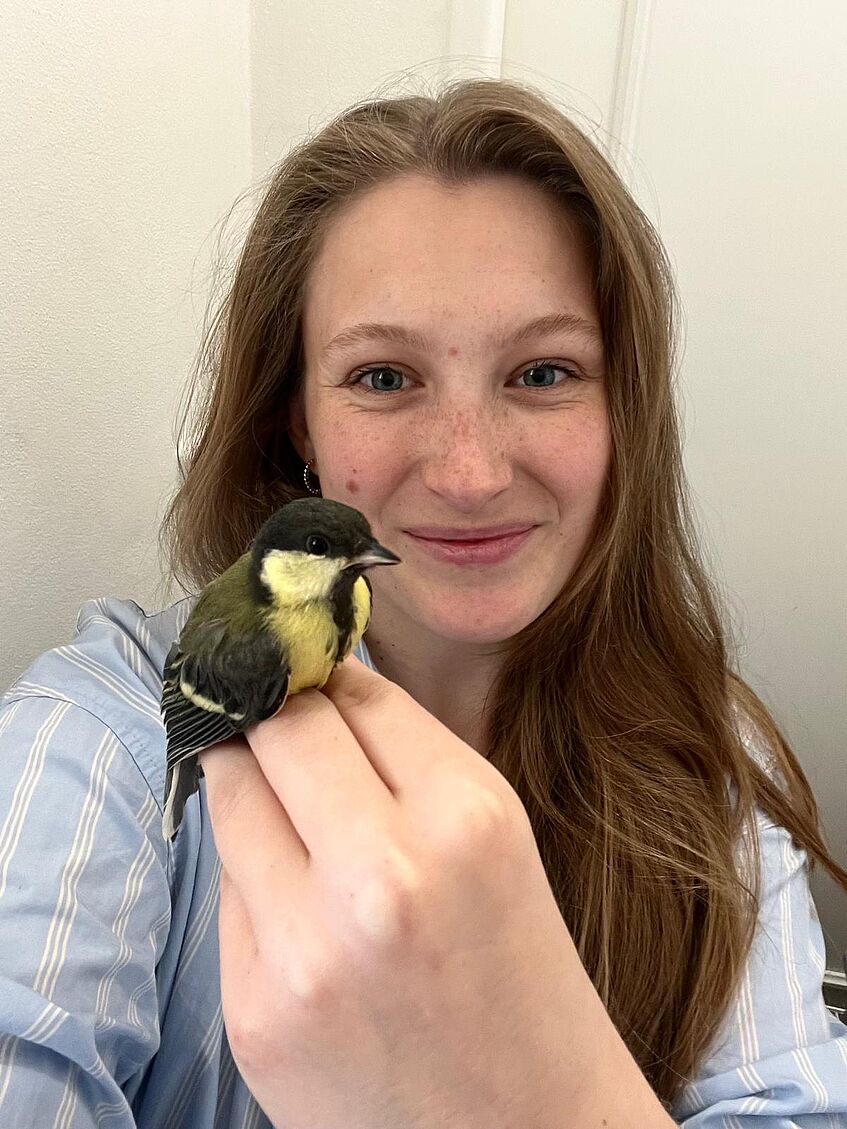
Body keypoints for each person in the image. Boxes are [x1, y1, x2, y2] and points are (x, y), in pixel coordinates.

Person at [1, 77, 845, 1129]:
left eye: (542, 371)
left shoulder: (710, 761)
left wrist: (543, 1100)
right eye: (384, 378)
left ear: (621, 412)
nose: (469, 471)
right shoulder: (101, 735)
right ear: (294, 422)